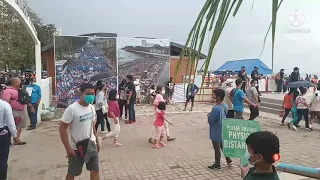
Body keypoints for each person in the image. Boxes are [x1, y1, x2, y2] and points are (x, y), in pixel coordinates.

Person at [59, 83, 100, 180]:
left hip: (91, 145)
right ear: (81, 94)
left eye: (92, 93)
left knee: (95, 170)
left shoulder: (92, 108)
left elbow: (92, 125)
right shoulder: (72, 109)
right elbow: (62, 129)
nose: (91, 96)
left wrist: (97, 140)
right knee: (72, 172)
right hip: (76, 148)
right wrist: (68, 149)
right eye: (88, 93)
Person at [207, 89, 233, 170]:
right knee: (222, 145)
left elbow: (211, 119)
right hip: (222, 128)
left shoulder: (216, 108)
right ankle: (228, 159)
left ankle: (217, 164)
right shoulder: (224, 105)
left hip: (215, 130)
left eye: (214, 95)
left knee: (216, 148)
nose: (213, 96)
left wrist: (209, 115)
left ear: (218, 97)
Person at [0, 84, 20, 180]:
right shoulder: (4, 105)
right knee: (2, 160)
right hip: (2, 133)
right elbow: (11, 123)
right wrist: (15, 135)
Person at [2, 77, 28, 145]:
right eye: (19, 81)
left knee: (19, 126)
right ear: (15, 83)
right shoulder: (8, 91)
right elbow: (5, 102)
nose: (20, 82)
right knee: (12, 125)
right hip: (13, 111)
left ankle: (17, 139)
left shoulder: (18, 90)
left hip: (21, 110)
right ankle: (10, 140)